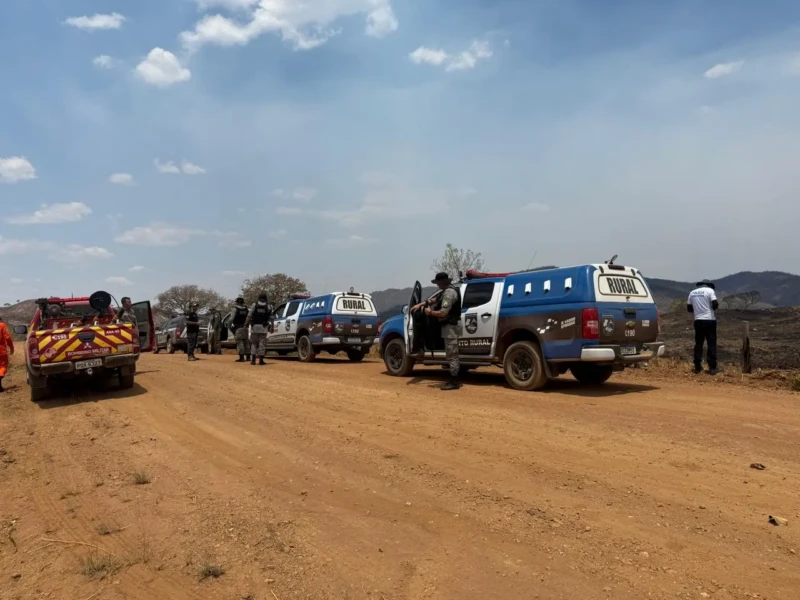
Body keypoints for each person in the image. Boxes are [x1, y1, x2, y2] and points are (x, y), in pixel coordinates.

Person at [412, 272, 462, 390]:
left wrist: (430, 313)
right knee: (451, 353)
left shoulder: (449, 293)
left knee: (452, 354)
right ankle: (454, 378)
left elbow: (443, 313)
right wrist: (421, 304)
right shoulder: (447, 291)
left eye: (438, 282)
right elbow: (435, 299)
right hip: (450, 327)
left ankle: (454, 381)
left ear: (442, 282)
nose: (437, 285)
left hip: (451, 327)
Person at [688, 279, 719, 375]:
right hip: (709, 320)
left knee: (699, 343)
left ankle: (697, 366)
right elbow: (715, 304)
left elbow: (689, 308)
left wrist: (698, 310)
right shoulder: (710, 291)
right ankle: (712, 368)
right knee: (711, 343)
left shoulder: (692, 293)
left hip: (698, 320)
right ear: (709, 285)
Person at [244, 292, 270, 366]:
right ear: (266, 298)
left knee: (254, 343)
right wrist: (272, 326)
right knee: (262, 343)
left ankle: (253, 360)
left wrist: (246, 324)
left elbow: (249, 315)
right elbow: (271, 317)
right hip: (263, 327)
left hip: (254, 327)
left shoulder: (254, 305)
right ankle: (261, 360)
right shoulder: (268, 306)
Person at [227, 297, 250, 363]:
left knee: (240, 343)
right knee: (246, 342)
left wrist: (229, 326)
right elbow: (249, 317)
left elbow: (231, 319)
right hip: (245, 328)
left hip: (238, 328)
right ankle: (248, 357)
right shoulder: (246, 309)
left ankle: (241, 357)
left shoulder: (235, 309)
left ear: (236, 302)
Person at [0, 317, 14, 393]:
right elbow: (7, 337)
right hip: (1, 351)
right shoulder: (2, 325)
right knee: (2, 366)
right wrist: (11, 347)